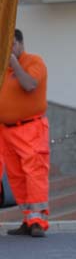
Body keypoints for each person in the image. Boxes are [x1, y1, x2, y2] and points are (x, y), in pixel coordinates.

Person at [0, 29, 49, 237]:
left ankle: (38, 221)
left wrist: (14, 63)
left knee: (34, 173)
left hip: (30, 127)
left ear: (19, 43)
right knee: (16, 176)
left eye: (9, 45)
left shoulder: (33, 62)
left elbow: (29, 85)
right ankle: (28, 219)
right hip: (5, 130)